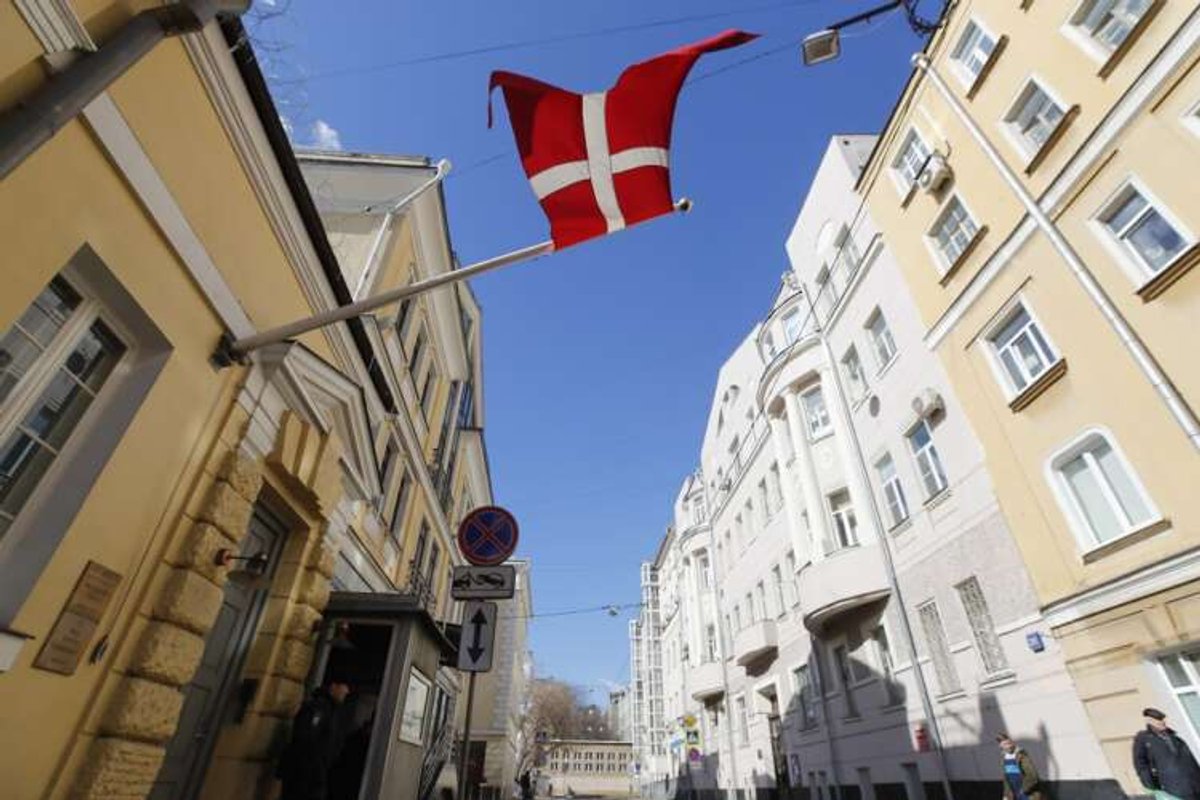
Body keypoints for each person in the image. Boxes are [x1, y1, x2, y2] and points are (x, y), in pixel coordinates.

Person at [277, 671, 353, 800]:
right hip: (304, 775)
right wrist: (315, 771)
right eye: (344, 686)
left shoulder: (331, 710)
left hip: (313, 775)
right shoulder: (319, 707)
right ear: (333, 686)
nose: (346, 691)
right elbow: (306, 739)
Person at [1134, 707, 1200, 800]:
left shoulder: (1175, 738)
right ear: (1149, 721)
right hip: (1171, 788)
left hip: (1194, 786)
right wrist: (1152, 788)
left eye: (1163, 719)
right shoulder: (1144, 740)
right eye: (1158, 720)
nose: (1162, 722)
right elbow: (1141, 765)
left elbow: (1191, 762)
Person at [996, 733, 1043, 800]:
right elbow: (1006, 779)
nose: (1009, 746)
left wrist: (1024, 789)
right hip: (1014, 794)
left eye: (1009, 743)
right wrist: (1006, 795)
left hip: (1027, 794)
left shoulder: (1021, 755)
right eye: (1005, 744)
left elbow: (1032, 775)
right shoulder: (1004, 757)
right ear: (1000, 746)